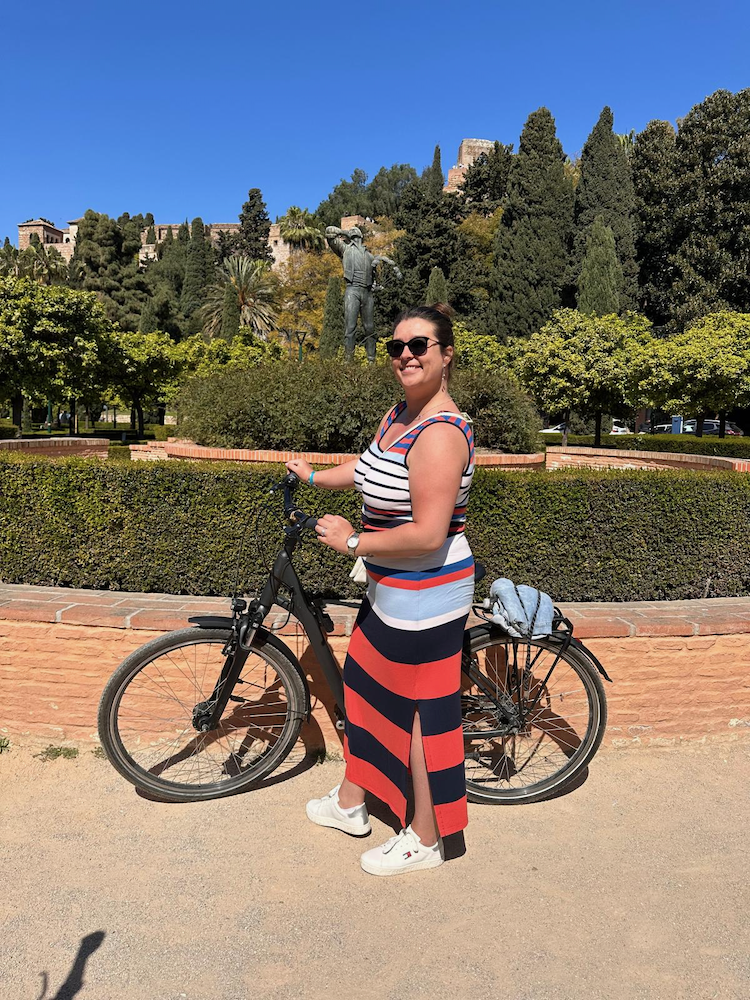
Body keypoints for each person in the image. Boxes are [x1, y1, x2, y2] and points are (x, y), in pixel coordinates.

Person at [286, 303, 476, 876]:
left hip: (426, 595)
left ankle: (428, 838)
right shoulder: (399, 415)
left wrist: (352, 543)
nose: (406, 356)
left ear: (446, 355)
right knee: (367, 692)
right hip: (390, 589)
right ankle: (352, 802)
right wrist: (313, 475)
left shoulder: (440, 434)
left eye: (419, 345)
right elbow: (367, 467)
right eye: (397, 347)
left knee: (422, 718)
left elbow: (428, 534)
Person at [324, 225, 401, 362]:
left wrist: (377, 286)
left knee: (370, 328)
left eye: (355, 230)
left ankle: (371, 361)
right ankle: (348, 361)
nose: (353, 231)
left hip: (367, 292)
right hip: (352, 290)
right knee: (350, 327)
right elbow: (329, 233)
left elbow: (374, 277)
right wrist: (345, 232)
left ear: (361, 235)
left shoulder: (369, 256)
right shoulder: (345, 248)